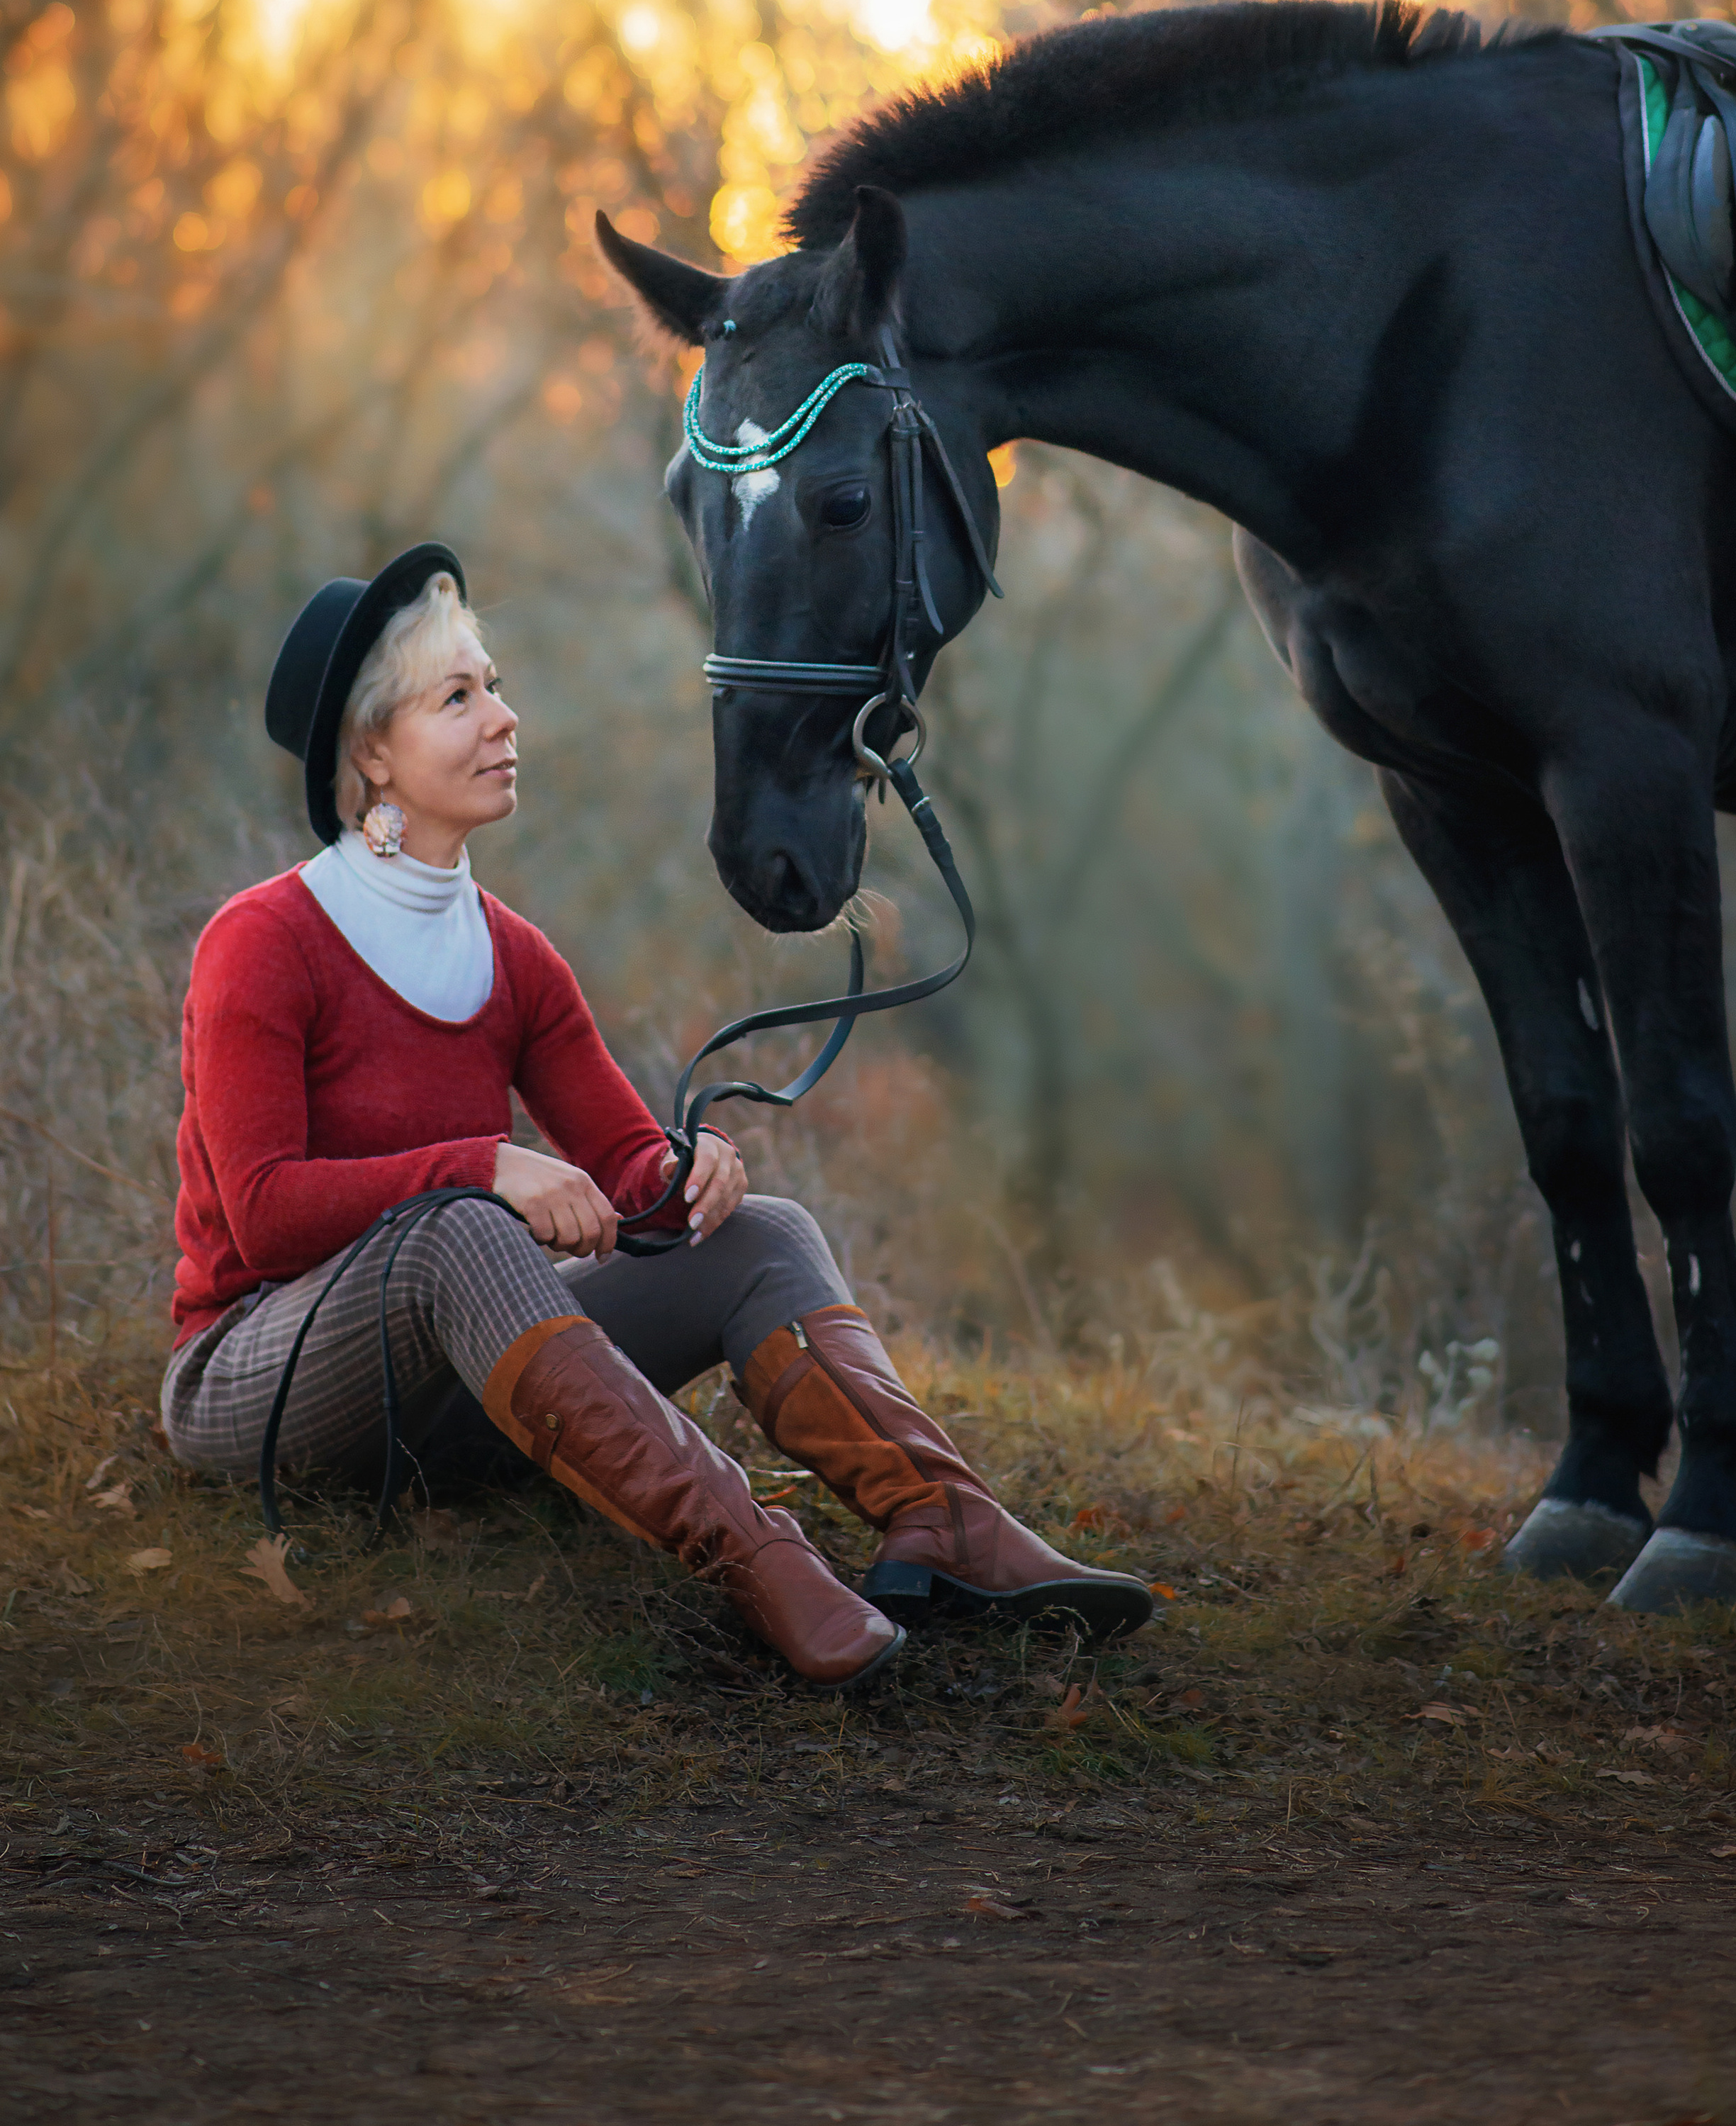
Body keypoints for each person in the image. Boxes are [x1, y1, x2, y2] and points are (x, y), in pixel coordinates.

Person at [162, 542, 1150, 1691]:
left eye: (495, 685)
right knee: (462, 1227)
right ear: (371, 751)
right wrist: (486, 1166)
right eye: (460, 697)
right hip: (255, 1381)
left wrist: (692, 1172)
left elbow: (629, 1163)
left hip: (455, 1397)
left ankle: (945, 1522)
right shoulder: (265, 941)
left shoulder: (514, 955)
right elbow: (268, 1217)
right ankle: (756, 1559)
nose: (506, 719)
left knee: (764, 1231)